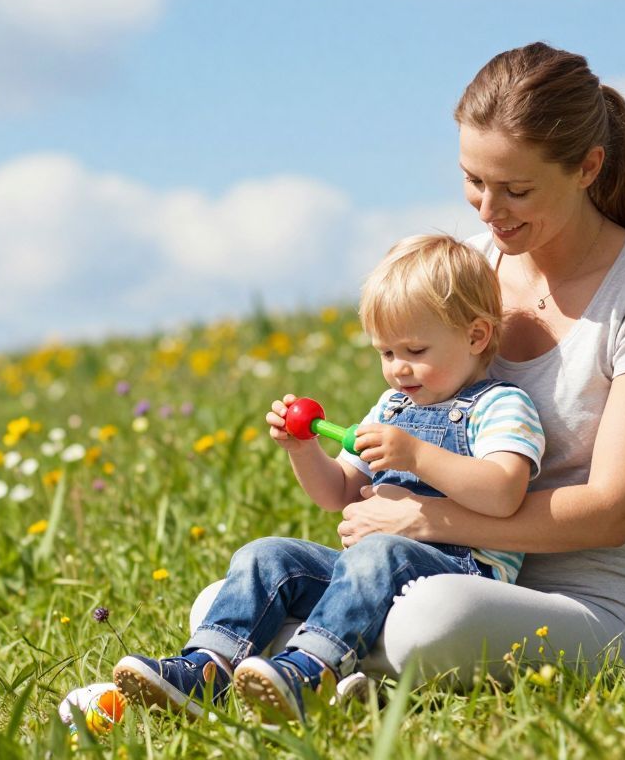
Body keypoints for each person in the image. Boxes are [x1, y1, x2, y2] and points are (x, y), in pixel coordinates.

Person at [188, 42, 625, 687]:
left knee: (432, 620)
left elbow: (611, 512)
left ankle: (318, 666)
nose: (490, 213)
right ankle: (304, 674)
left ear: (587, 168)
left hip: (598, 604)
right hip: (429, 568)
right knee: (224, 594)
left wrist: (425, 519)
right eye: (474, 181)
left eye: (517, 190)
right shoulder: (465, 267)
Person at [113, 234, 546, 722]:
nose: (398, 368)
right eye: (385, 353)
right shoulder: (393, 408)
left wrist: (418, 456)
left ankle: (312, 672)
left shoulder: (502, 406)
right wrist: (304, 450)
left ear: (476, 336)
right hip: (370, 572)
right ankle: (204, 669)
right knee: (267, 555)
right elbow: (337, 492)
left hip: (463, 573)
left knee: (379, 551)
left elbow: (504, 492)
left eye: (415, 349)